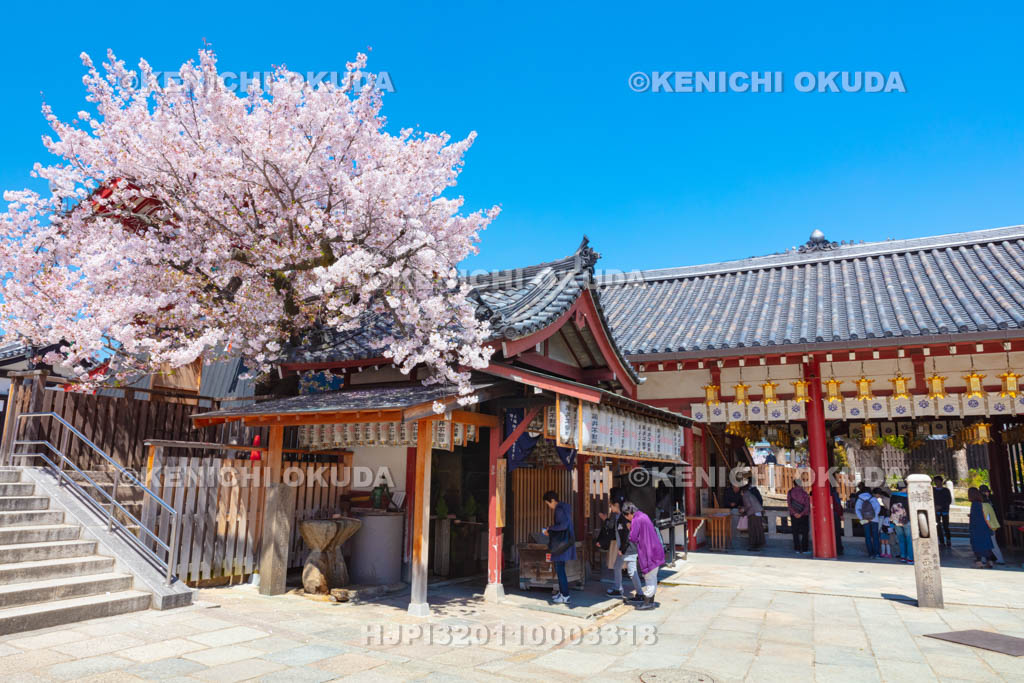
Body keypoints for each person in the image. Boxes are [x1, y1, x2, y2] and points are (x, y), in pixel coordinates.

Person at [622, 501, 665, 611]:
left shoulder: (636, 519)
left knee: (649, 577)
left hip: (648, 552)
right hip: (655, 550)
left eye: (627, 518)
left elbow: (633, 537)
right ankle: (650, 601)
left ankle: (647, 602)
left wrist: (629, 527)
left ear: (628, 514)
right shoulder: (644, 515)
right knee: (653, 577)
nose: (628, 519)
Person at [598, 494, 642, 599]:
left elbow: (627, 535)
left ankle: (640, 593)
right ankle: (618, 588)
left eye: (611, 506)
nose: (610, 508)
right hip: (623, 548)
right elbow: (615, 531)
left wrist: (622, 549)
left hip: (629, 548)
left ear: (616, 505)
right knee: (617, 567)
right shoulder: (618, 516)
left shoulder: (624, 516)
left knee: (631, 571)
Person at [542, 490, 576, 604]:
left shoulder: (559, 509)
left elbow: (562, 526)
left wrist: (549, 529)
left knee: (560, 569)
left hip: (561, 544)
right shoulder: (564, 507)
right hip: (566, 542)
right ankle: (562, 593)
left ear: (552, 500)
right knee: (560, 568)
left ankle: (565, 596)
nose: (549, 506)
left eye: (548, 504)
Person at [968, 487, 997, 568]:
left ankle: (979, 562)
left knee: (977, 546)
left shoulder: (974, 504)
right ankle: (989, 562)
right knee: (986, 545)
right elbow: (986, 516)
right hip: (985, 527)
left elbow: (974, 518)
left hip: (976, 528)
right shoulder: (983, 503)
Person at [979, 485, 1005, 564]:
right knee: (988, 543)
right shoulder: (988, 502)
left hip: (989, 525)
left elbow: (987, 516)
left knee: (992, 544)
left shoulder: (986, 503)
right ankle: (986, 559)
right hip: (991, 524)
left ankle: (999, 559)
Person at [854, 483, 881, 558]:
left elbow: (857, 510)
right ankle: (877, 553)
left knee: (868, 536)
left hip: (864, 520)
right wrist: (873, 517)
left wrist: (862, 518)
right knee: (875, 536)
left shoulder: (859, 499)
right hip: (874, 519)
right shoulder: (873, 498)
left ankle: (870, 554)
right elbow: (878, 508)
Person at [889, 482, 913, 564]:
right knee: (909, 540)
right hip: (907, 520)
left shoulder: (893, 496)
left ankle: (903, 557)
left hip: (896, 521)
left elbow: (890, 509)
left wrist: (891, 522)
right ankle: (910, 558)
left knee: (901, 539)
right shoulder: (908, 497)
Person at [787, 476, 811, 554]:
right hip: (804, 515)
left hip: (794, 515)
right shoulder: (804, 493)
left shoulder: (790, 492)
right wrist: (801, 513)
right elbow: (807, 505)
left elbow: (789, 504)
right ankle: (804, 549)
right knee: (805, 532)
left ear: (794, 484)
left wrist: (794, 513)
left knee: (795, 532)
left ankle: (797, 549)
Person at [741, 483, 766, 550]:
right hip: (758, 512)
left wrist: (743, 510)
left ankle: (754, 545)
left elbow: (748, 505)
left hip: (753, 513)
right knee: (758, 529)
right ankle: (759, 543)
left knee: (753, 530)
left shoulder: (745, 495)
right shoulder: (750, 494)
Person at [932, 475, 953, 549]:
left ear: (941, 481)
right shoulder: (933, 490)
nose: (936, 483)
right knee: (938, 526)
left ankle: (948, 539)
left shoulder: (946, 490)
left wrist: (941, 506)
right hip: (936, 511)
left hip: (944, 510)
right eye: (935, 481)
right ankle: (941, 541)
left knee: (946, 526)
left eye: (937, 481)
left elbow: (949, 500)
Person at [722, 482, 744, 549]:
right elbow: (724, 501)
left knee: (736, 528)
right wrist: (730, 504)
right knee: (730, 528)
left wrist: (740, 506)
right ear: (733, 486)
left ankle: (736, 540)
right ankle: (730, 541)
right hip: (728, 510)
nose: (737, 489)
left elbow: (741, 501)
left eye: (738, 488)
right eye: (736, 488)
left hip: (736, 511)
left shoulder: (740, 492)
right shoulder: (728, 491)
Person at [830, 482, 845, 556]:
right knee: (837, 533)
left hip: (828, 515)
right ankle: (838, 549)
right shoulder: (834, 494)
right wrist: (841, 514)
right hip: (835, 515)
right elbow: (838, 505)